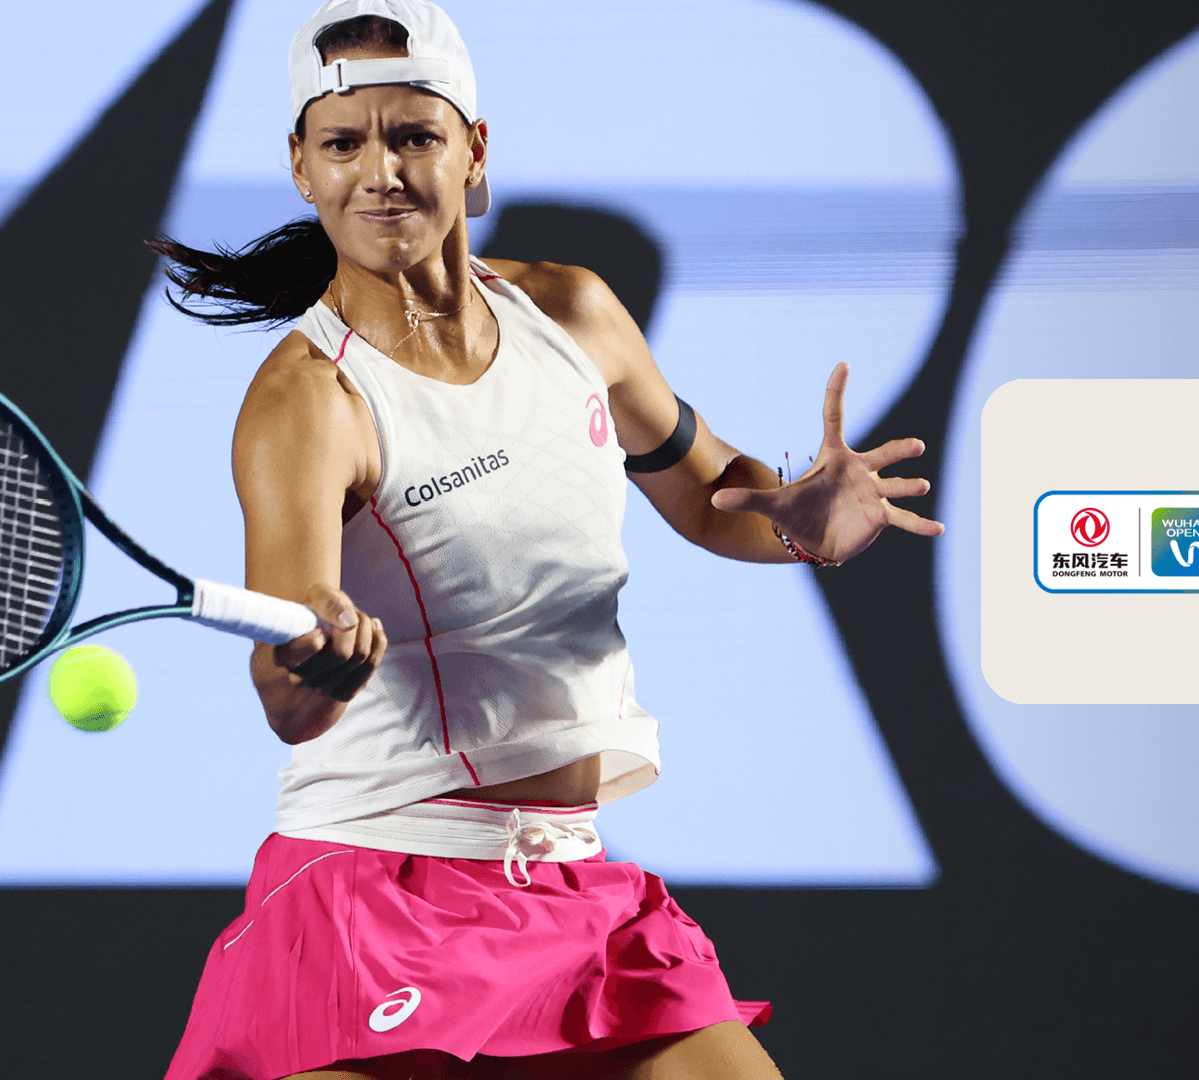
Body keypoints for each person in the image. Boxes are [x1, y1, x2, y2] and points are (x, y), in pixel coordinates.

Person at [151, 3, 941, 1077]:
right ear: (301, 167)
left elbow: (711, 496)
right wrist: (313, 660)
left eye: (414, 136)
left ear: (474, 150)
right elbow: (286, 694)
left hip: (571, 887)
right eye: (342, 144)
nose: (379, 173)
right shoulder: (307, 401)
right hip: (379, 886)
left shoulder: (572, 314)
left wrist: (801, 522)